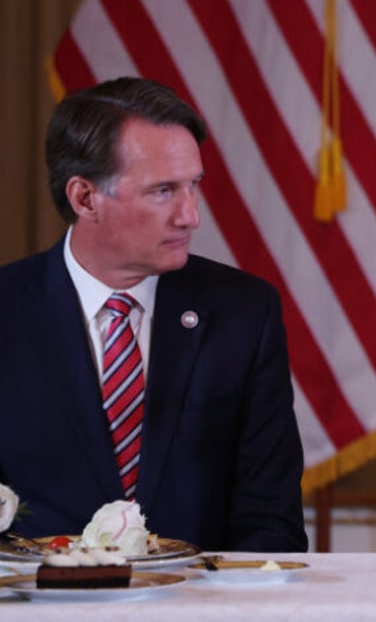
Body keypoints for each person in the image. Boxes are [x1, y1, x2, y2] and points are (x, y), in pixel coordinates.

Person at [0, 77, 308, 552]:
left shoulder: (245, 313)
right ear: (85, 198)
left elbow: (270, 522)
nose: (190, 216)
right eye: (163, 191)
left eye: (193, 186)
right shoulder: (8, 310)